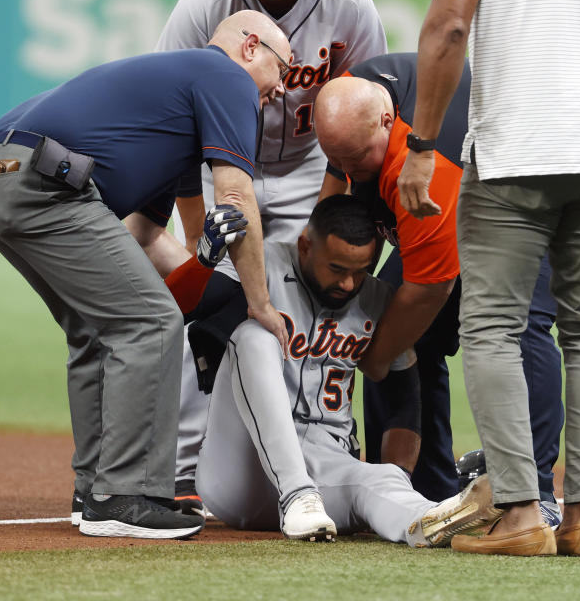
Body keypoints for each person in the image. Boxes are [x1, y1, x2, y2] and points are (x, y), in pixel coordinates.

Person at [0, 10, 292, 540]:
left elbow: (139, 237)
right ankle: (124, 495)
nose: (282, 88)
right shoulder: (227, 77)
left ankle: (95, 486)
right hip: (43, 183)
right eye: (284, 67)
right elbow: (236, 198)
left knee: (100, 327)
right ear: (251, 46)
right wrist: (258, 301)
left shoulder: (172, 113)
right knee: (149, 324)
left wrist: (202, 267)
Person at [397, 0, 580, 556]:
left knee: (492, 328)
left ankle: (522, 513)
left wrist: (421, 146)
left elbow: (449, 26)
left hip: (517, 150)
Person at [155, 0, 388, 506]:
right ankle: (185, 467)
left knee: (306, 308)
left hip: (311, 171)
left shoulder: (347, 1)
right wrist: (195, 236)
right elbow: (174, 122)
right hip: (220, 168)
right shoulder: (205, 1)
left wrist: (332, 208)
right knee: (209, 307)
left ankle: (307, 448)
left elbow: (371, 108)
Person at [313, 54, 564, 520]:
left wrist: (375, 356)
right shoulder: (349, 100)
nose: (350, 168)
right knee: (384, 319)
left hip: (523, 198)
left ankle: (537, 494)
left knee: (518, 329)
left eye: (358, 157)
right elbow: (333, 200)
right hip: (448, 199)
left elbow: (430, 289)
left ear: (387, 123)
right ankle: (420, 492)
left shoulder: (420, 169)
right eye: (338, 157)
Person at [195, 194, 501, 546]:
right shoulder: (262, 265)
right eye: (337, 269)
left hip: (324, 468)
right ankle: (296, 494)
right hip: (238, 469)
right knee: (254, 336)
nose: (348, 284)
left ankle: (431, 521)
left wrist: (398, 476)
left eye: (359, 271)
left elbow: (405, 399)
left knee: (381, 478)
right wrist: (203, 259)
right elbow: (186, 308)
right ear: (306, 246)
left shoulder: (377, 299)